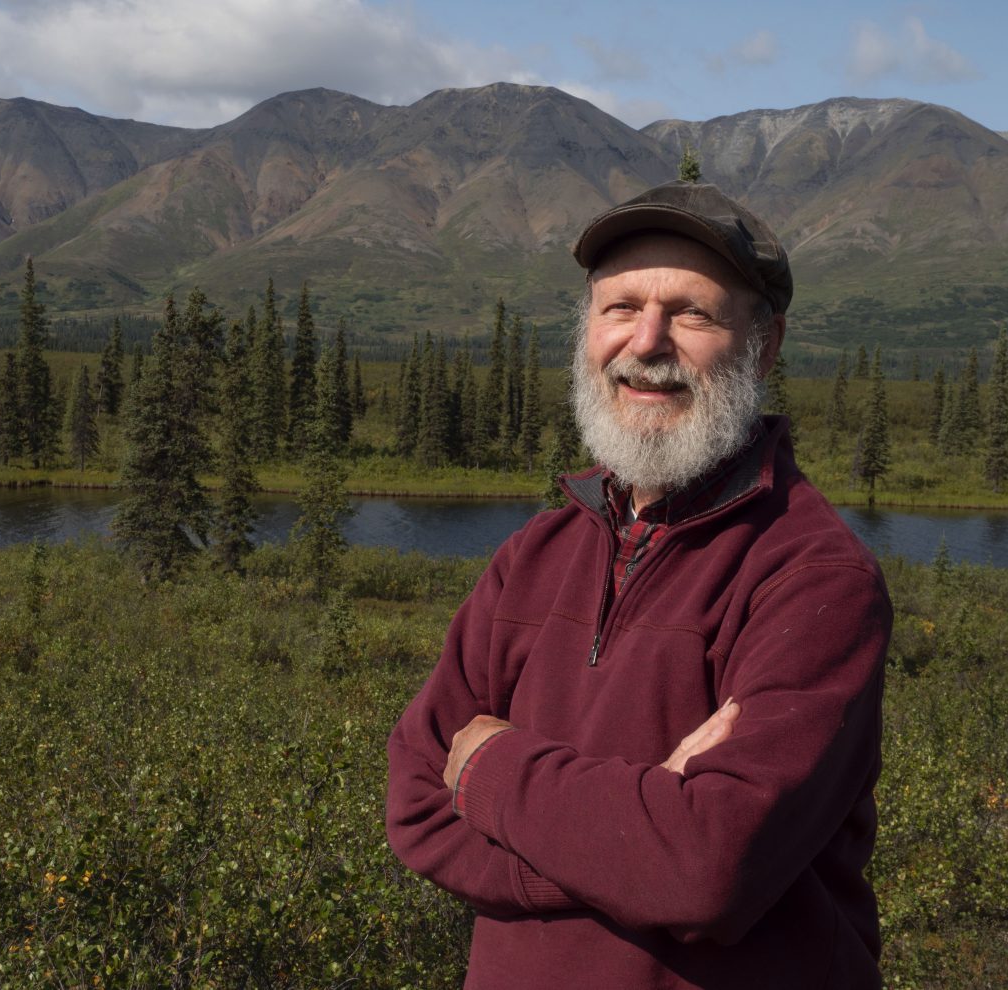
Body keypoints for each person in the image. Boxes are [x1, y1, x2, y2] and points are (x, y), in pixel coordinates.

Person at [385, 180, 891, 989]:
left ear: (762, 347)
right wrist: (640, 833)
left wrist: (488, 769)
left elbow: (708, 868)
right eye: (620, 307)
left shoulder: (814, 580)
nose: (647, 342)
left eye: (691, 313)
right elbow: (413, 803)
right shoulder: (535, 555)